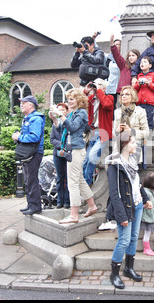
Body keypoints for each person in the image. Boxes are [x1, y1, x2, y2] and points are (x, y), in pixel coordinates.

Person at [105, 130, 152, 290]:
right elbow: (114, 193)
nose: (135, 144)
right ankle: (114, 274)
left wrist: (145, 199)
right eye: (133, 142)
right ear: (125, 144)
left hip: (137, 205)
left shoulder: (132, 161)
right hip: (124, 208)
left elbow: (136, 184)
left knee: (133, 238)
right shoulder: (114, 165)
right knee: (124, 240)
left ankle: (128, 269)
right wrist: (121, 215)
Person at [58, 89, 98, 224]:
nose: (69, 101)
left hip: (76, 150)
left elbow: (73, 128)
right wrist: (56, 118)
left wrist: (61, 116)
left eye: (72, 99)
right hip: (73, 150)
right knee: (79, 180)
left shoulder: (81, 113)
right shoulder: (73, 113)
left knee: (73, 183)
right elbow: (63, 129)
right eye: (68, 99)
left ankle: (74, 215)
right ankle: (92, 206)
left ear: (79, 101)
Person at [12, 95, 45, 216]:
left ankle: (35, 206)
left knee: (31, 180)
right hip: (30, 152)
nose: (21, 105)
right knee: (28, 180)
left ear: (31, 105)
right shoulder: (28, 118)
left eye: (23, 103)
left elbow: (35, 137)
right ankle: (31, 204)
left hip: (34, 153)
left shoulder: (35, 119)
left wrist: (19, 137)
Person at [83, 78, 115, 186]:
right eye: (95, 85)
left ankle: (87, 183)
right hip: (92, 133)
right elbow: (80, 104)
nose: (96, 87)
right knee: (86, 160)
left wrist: (100, 90)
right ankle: (84, 183)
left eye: (99, 85)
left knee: (92, 157)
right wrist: (86, 91)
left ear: (104, 88)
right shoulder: (92, 99)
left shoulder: (109, 98)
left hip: (103, 134)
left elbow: (106, 104)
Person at [113, 86, 149, 162]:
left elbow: (146, 132)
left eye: (127, 94)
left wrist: (131, 131)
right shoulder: (117, 112)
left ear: (132, 96)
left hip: (134, 146)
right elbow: (114, 133)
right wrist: (117, 131)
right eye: (122, 95)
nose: (124, 96)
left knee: (132, 172)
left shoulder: (140, 111)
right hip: (120, 146)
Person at [48, 103, 71, 209]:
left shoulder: (69, 123)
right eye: (58, 110)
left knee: (68, 178)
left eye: (63, 110)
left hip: (67, 153)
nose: (60, 111)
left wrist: (65, 148)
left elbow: (70, 139)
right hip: (57, 154)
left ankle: (67, 201)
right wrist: (60, 146)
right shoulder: (55, 123)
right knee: (59, 178)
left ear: (67, 111)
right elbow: (52, 139)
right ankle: (59, 201)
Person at [133, 56, 154, 130]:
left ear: (150, 65)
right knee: (139, 121)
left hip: (149, 103)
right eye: (141, 62)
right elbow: (135, 89)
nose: (142, 63)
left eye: (145, 62)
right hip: (139, 102)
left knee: (149, 121)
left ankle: (148, 137)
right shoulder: (139, 75)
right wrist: (138, 84)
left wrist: (149, 83)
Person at [105, 37, 121, 109]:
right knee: (112, 105)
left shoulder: (124, 57)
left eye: (119, 44)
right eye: (115, 44)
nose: (117, 46)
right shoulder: (108, 58)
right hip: (111, 83)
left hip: (121, 83)